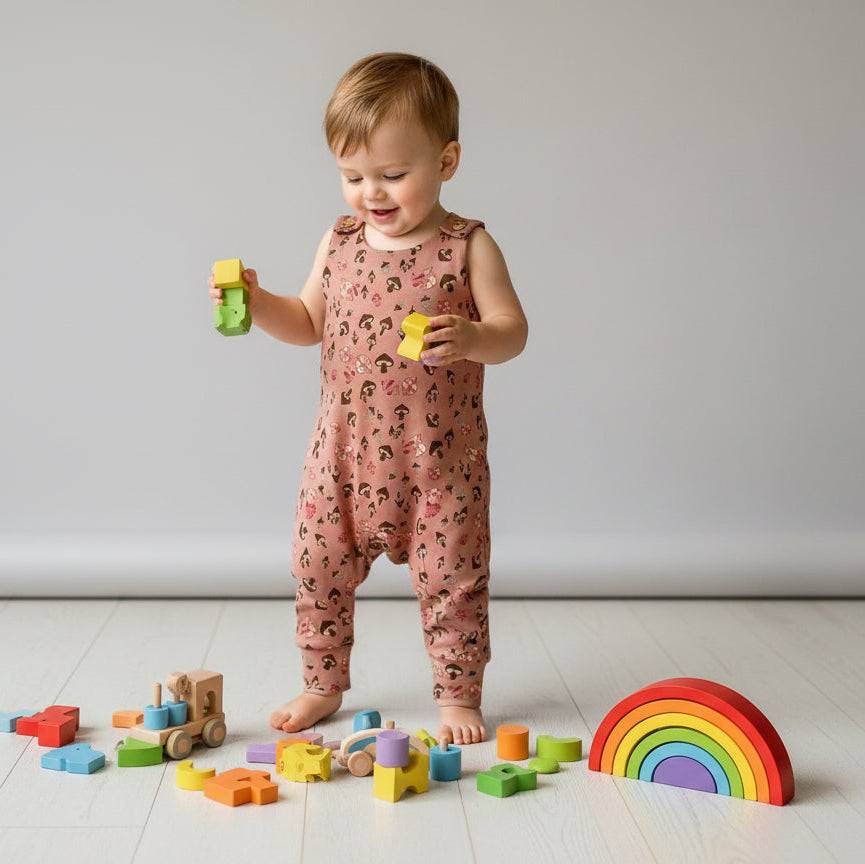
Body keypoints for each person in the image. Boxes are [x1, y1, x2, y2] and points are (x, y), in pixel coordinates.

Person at [209, 53, 528, 745]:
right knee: (316, 566)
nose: (371, 194)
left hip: (440, 462)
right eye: (352, 177)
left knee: (454, 579)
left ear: (446, 161)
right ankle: (322, 683)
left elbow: (512, 333)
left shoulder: (465, 247)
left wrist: (473, 336)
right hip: (343, 457)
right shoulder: (341, 241)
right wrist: (258, 301)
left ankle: (456, 695)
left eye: (392, 175)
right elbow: (307, 322)